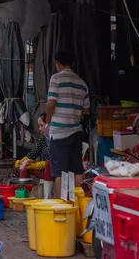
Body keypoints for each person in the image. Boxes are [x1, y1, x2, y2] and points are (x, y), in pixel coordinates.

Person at [45, 50, 89, 197]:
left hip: (59, 133)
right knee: (77, 169)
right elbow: (86, 110)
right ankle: (78, 203)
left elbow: (51, 103)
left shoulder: (56, 79)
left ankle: (60, 206)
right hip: (76, 131)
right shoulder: (82, 83)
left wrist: (48, 119)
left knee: (59, 172)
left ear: (57, 64)